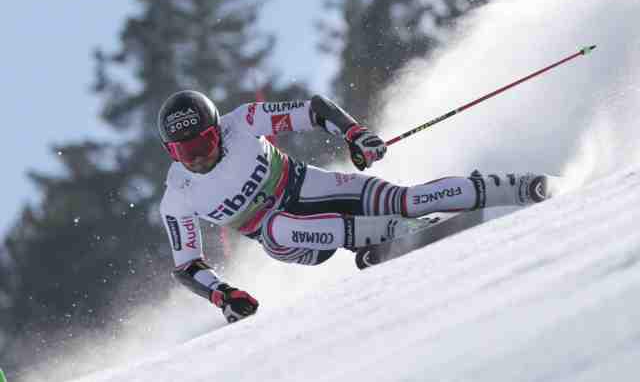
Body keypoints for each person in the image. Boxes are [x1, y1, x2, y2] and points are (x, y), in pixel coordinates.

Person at [158, 90, 551, 323]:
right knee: (276, 226)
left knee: (405, 200)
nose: (196, 158)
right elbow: (188, 265)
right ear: (170, 151)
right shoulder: (178, 194)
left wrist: (355, 134)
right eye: (184, 151)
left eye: (204, 144)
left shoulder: (241, 122)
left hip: (310, 186)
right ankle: (383, 234)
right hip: (294, 242)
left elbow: (312, 110)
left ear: (216, 130)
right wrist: (224, 296)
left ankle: (515, 187)